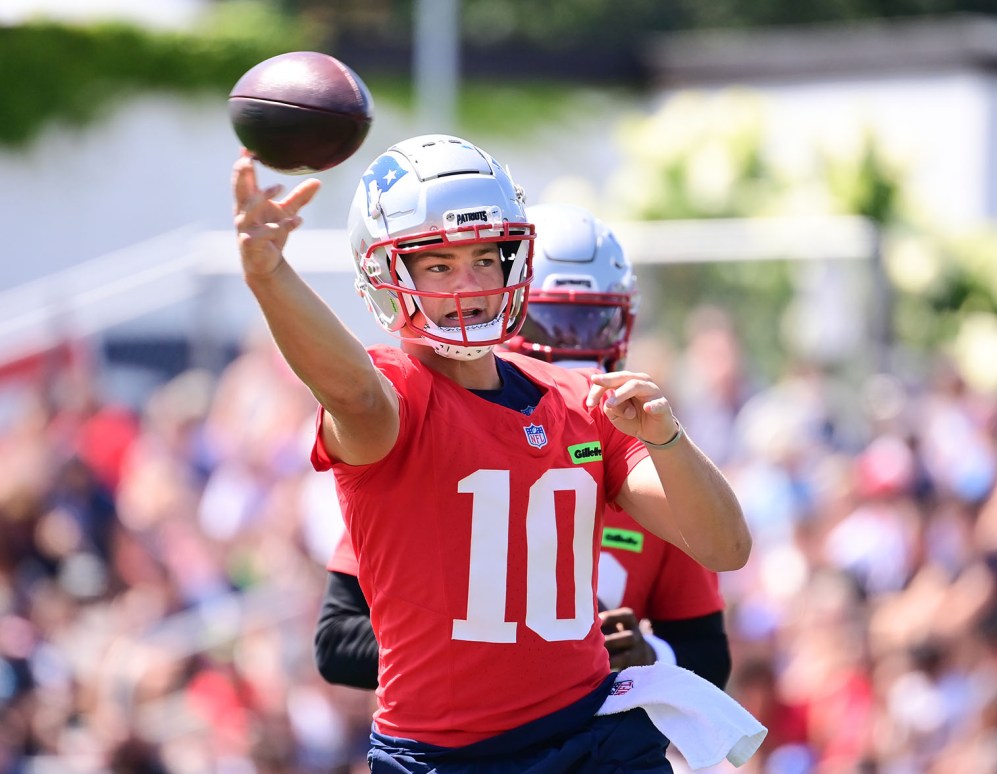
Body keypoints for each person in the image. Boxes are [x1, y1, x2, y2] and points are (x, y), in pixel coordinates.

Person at [231, 133, 752, 772]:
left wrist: (666, 438)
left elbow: (727, 548)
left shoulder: (584, 400)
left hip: (591, 733)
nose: (469, 285)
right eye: (439, 265)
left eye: (484, 258)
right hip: (446, 756)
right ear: (388, 275)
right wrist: (270, 276)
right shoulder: (396, 396)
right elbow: (357, 397)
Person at [315, 202, 732, 693]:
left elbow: (709, 652)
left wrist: (650, 659)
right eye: (547, 325)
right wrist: (503, 643)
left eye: (591, 325)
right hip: (459, 738)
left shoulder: (645, 458)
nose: (568, 347)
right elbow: (337, 641)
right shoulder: (429, 433)